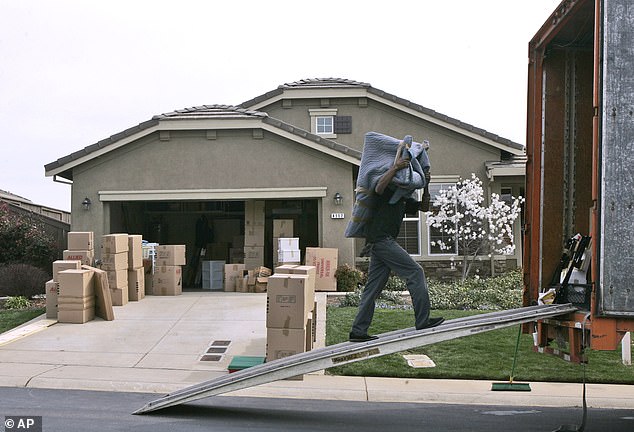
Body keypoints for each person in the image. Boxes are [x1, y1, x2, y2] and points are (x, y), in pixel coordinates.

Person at [349, 154, 444, 342]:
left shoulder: (403, 199)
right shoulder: (387, 191)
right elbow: (378, 186)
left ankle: (358, 331)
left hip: (380, 244)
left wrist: (426, 185)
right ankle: (423, 320)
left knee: (372, 289)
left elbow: (424, 207)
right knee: (415, 272)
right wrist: (395, 167)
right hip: (381, 240)